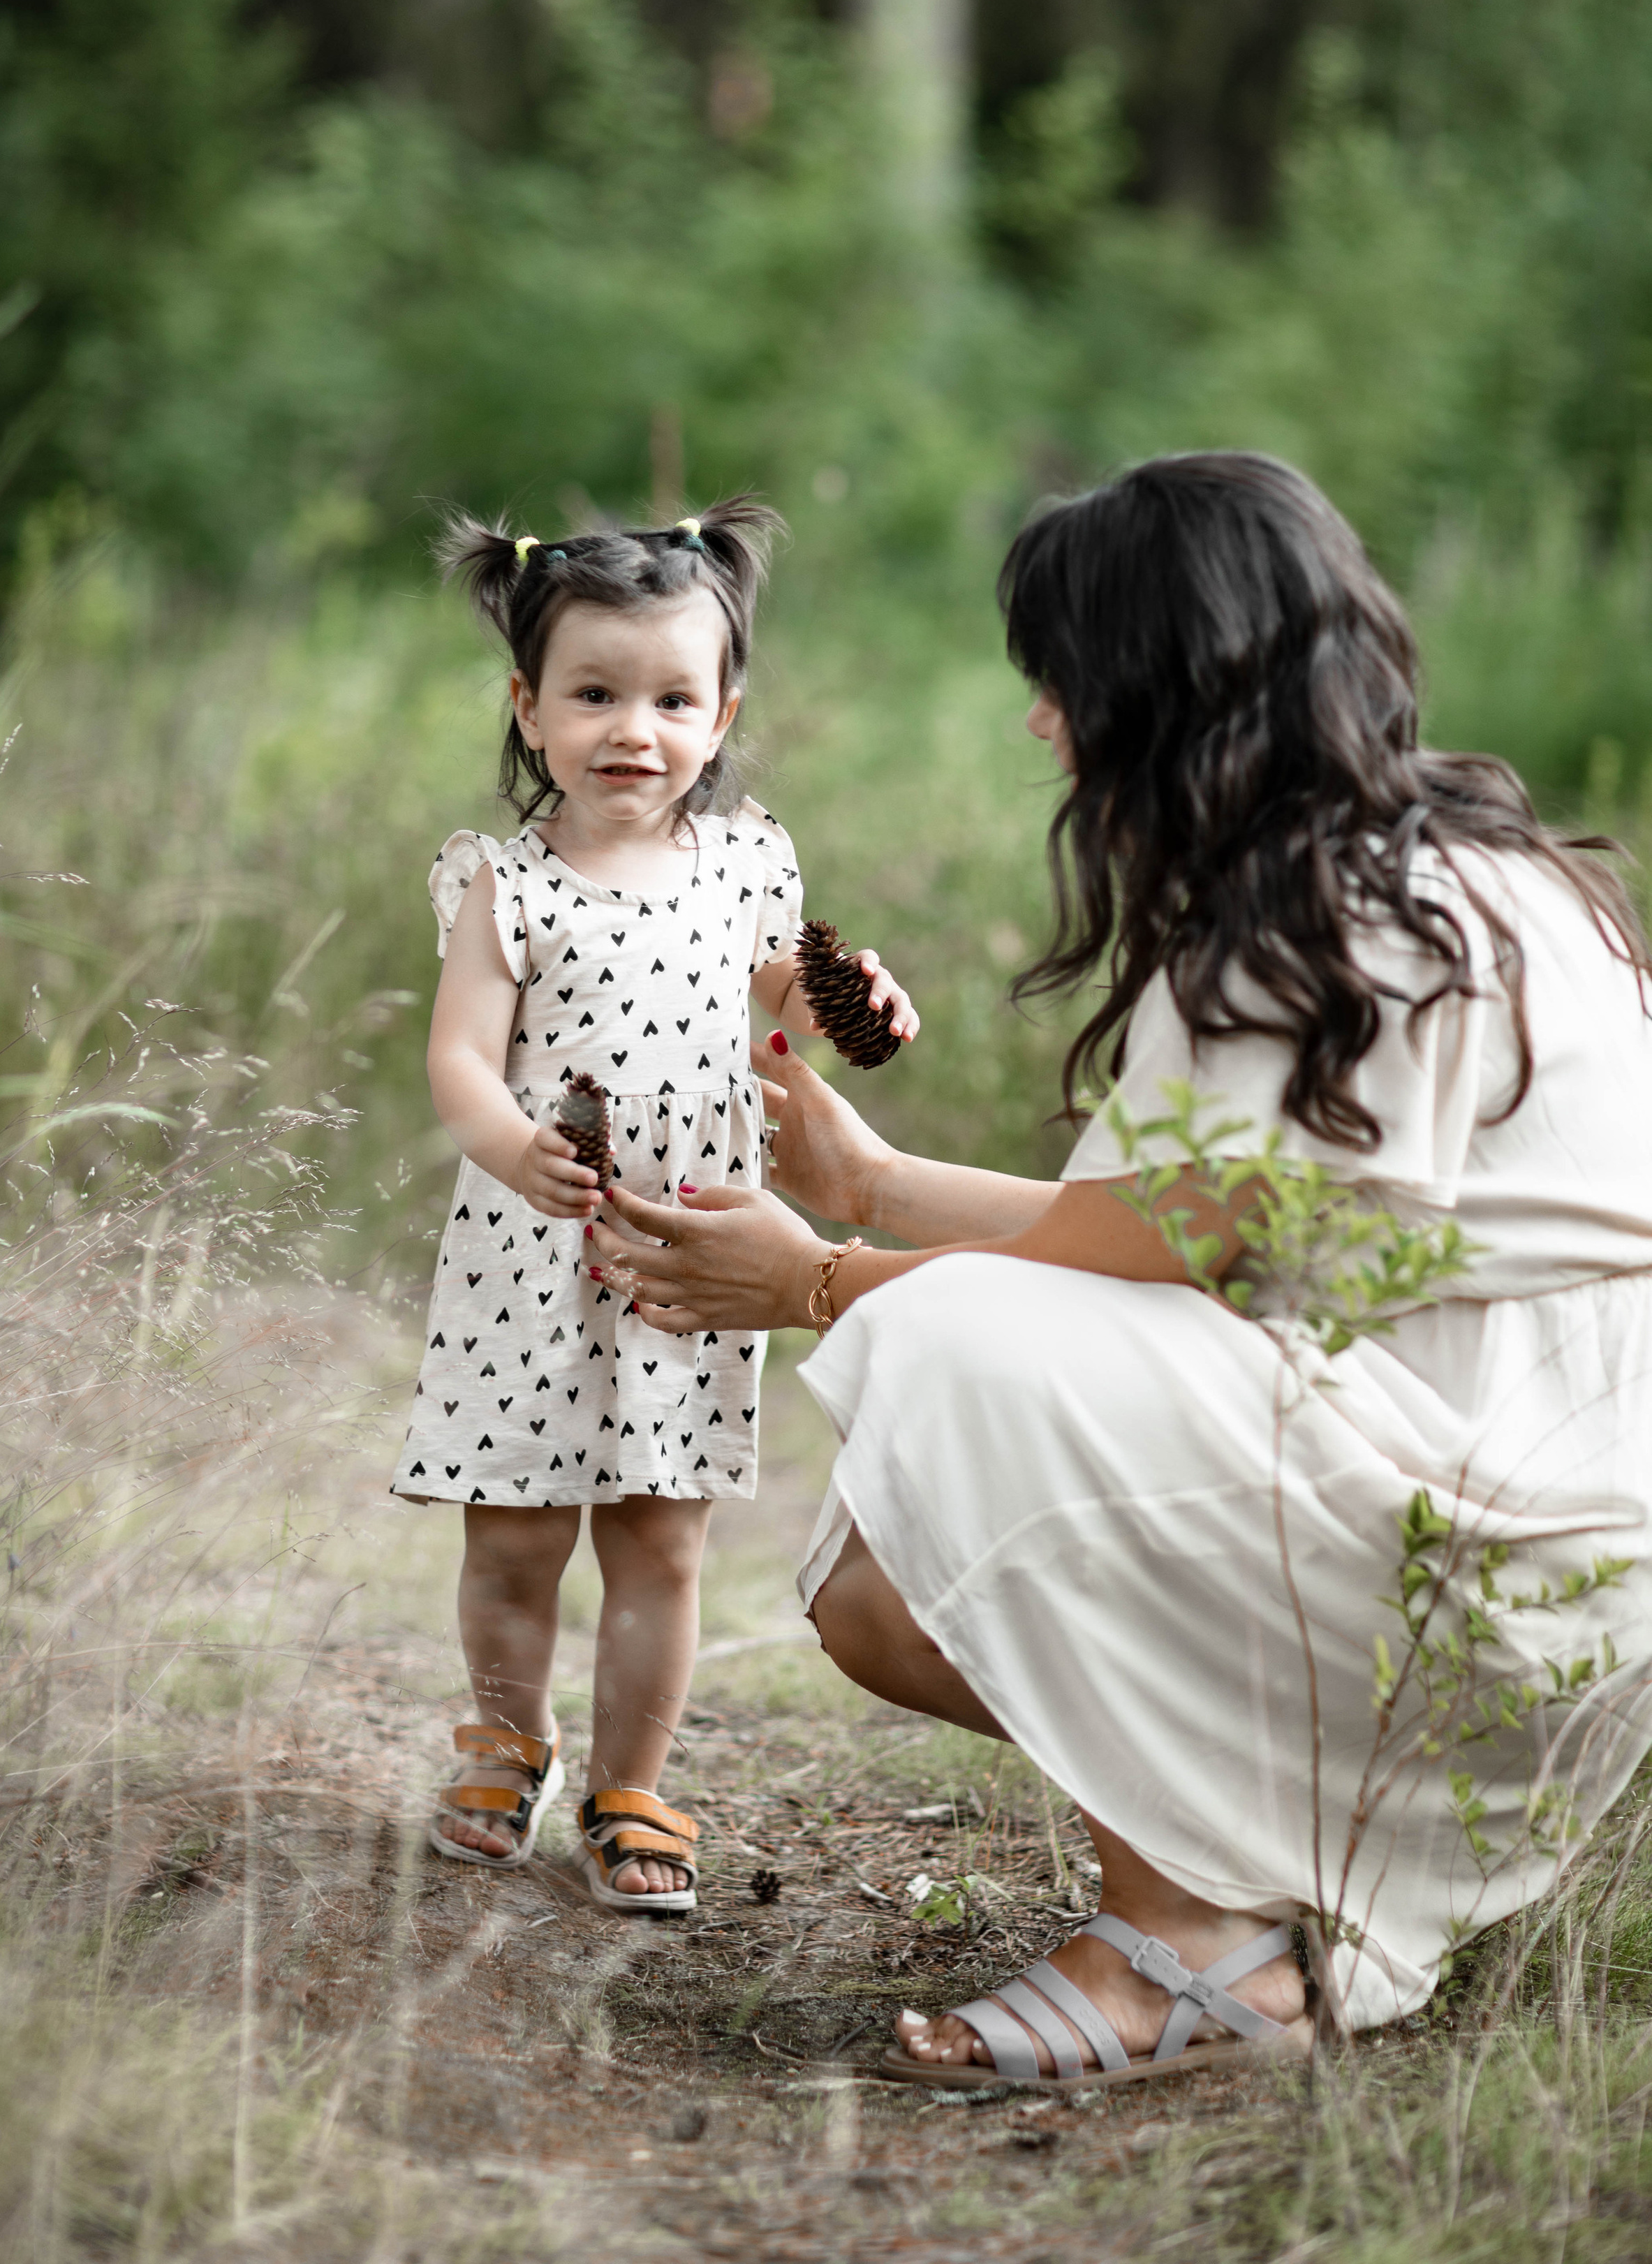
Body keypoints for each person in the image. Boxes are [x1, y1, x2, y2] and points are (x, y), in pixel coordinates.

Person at [591, 450, 1652, 2081]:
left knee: (949, 1365)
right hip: (1534, 1571)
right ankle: (1262, 1893)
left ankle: (1181, 1953)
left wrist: (813, 1280)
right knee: (876, 1585)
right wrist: (871, 1186)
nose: (1041, 723)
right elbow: (1180, 1239)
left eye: (1060, 681)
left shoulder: (1341, 920)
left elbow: (1162, 1283)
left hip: (1493, 1577)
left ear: (1158, 686)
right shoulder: (1447, 879)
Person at [389, 501, 917, 1914]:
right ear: (528, 705)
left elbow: (793, 991)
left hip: (689, 1241)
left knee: (657, 1532)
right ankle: (507, 1739)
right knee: (510, 1534)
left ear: (721, 708)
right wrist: (508, 1149)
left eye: (673, 699)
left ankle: (633, 1784)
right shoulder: (506, 880)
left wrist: (858, 1002)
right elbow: (455, 1057)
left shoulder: (748, 861)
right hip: (528, 1245)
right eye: (596, 695)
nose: (636, 728)